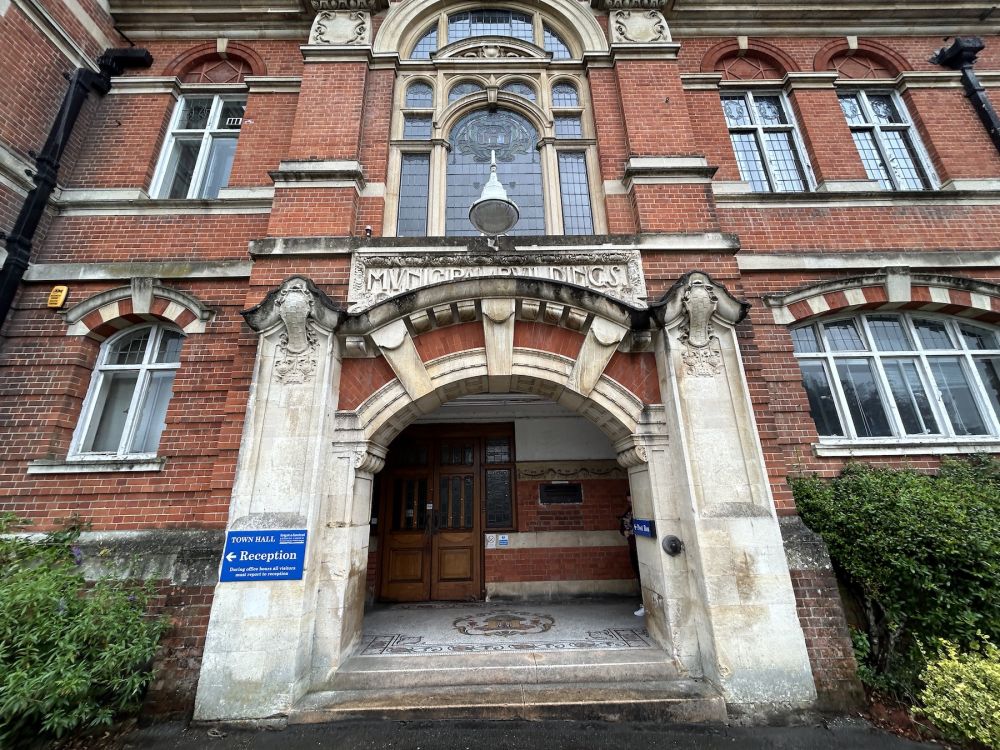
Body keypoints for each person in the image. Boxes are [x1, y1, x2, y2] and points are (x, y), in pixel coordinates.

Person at [619, 496, 644, 617]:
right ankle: (645, 602)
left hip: (644, 548)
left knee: (644, 575)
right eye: (628, 501)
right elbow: (622, 527)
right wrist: (625, 532)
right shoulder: (628, 513)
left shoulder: (643, 511)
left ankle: (647, 604)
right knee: (639, 574)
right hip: (633, 547)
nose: (629, 503)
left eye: (631, 501)